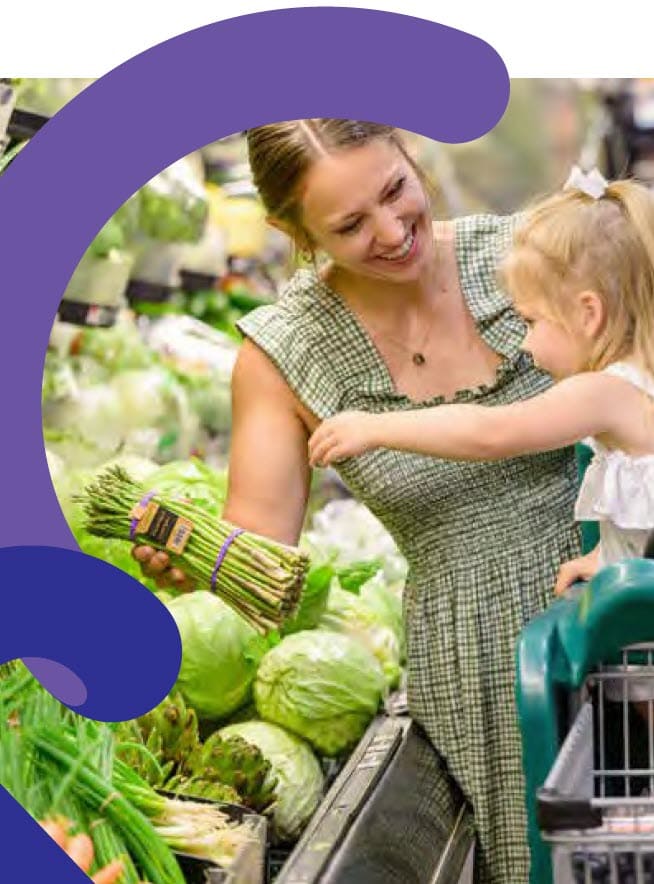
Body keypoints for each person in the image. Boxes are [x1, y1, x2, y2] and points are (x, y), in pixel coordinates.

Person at [133, 119, 583, 883]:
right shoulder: (283, 352)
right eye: (349, 224)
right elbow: (262, 548)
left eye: (395, 191)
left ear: (410, 153)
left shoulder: (525, 257)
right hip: (480, 662)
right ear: (292, 231)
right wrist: (196, 563)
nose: (392, 231)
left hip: (613, 596)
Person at [308, 170, 654, 588]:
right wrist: (609, 556)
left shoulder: (604, 391)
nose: (525, 344)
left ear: (588, 313)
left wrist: (376, 427)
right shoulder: (636, 382)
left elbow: (492, 431)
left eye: (531, 321)